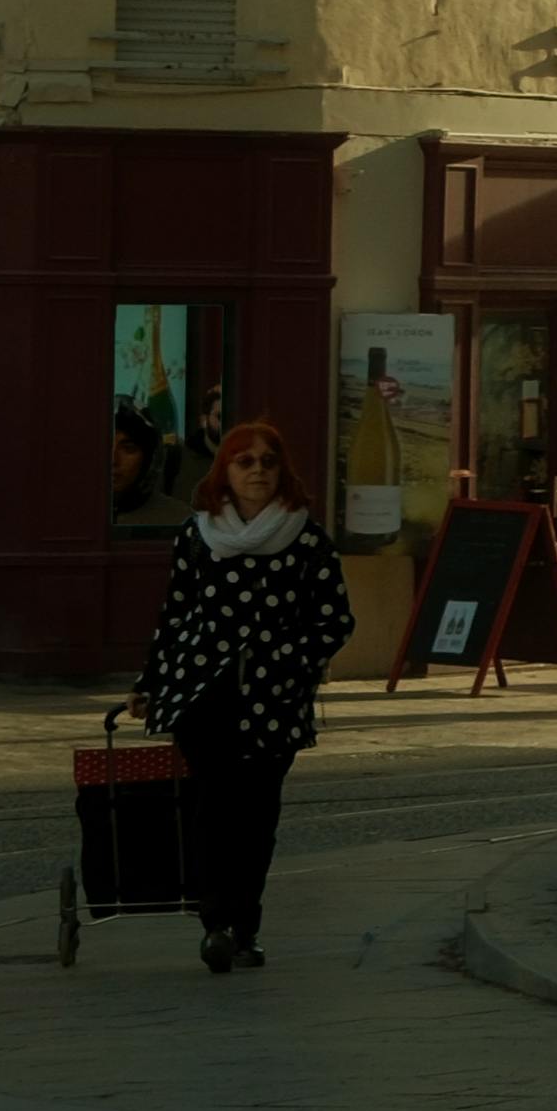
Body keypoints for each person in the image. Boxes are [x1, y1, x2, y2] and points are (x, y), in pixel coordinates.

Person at [141, 417, 357, 973]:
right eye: (244, 461)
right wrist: (151, 682)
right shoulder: (197, 535)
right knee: (212, 807)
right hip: (203, 695)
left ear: (282, 470)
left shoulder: (307, 539)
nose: (257, 470)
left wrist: (286, 660)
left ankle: (244, 926)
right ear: (225, 472)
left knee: (257, 816)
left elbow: (334, 621)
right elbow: (174, 617)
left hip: (273, 700)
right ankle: (214, 924)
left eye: (267, 461)